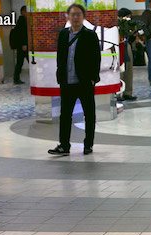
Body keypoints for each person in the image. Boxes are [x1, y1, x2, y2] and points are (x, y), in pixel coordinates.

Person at [48, 4, 101, 156]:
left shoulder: (90, 35)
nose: (75, 17)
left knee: (89, 115)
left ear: (83, 17)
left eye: (78, 14)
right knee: (65, 115)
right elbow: (60, 57)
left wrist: (93, 79)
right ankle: (64, 145)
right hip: (67, 83)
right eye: (73, 14)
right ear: (68, 17)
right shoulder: (63, 34)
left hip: (84, 82)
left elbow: (95, 58)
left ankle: (88, 144)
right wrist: (60, 76)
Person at [117, 8, 138, 101]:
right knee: (120, 71)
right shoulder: (117, 24)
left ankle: (128, 92)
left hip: (127, 46)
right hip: (119, 46)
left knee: (129, 70)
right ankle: (118, 93)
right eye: (127, 16)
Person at [13, 5, 28, 85]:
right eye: (26, 11)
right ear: (23, 12)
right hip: (22, 46)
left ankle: (16, 78)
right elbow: (22, 34)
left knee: (20, 62)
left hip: (23, 45)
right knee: (20, 62)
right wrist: (24, 44)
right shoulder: (21, 21)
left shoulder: (23, 20)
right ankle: (16, 78)